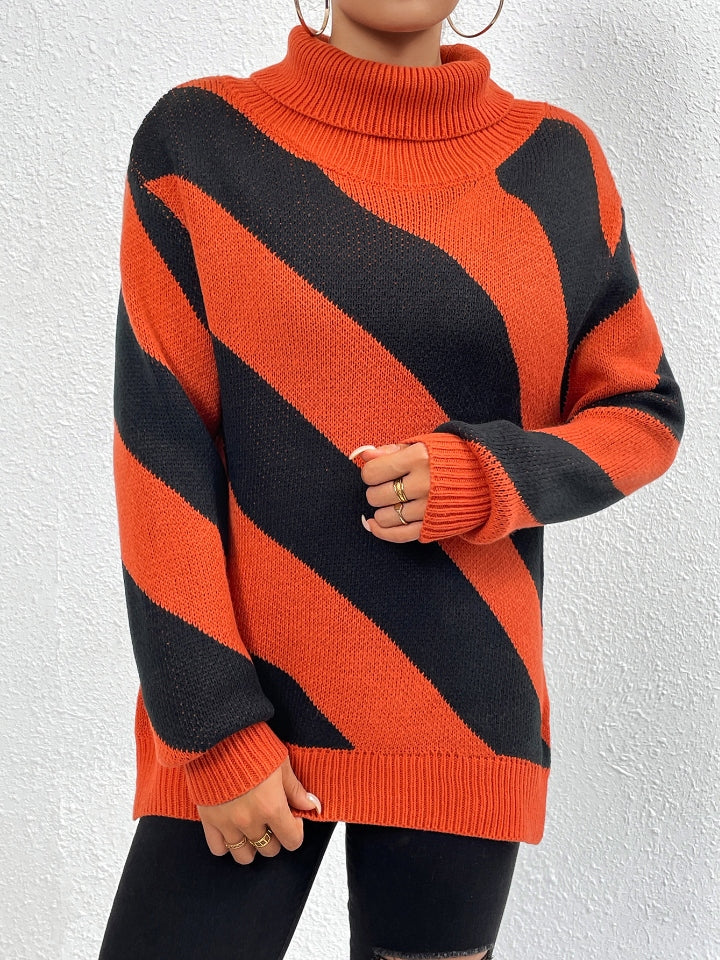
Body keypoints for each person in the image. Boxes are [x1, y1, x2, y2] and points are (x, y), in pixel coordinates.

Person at [98, 1, 685, 958]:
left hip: (464, 721)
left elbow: (644, 409)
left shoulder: (556, 162)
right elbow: (159, 449)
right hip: (243, 727)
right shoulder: (199, 143)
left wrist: (487, 476)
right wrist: (212, 731)